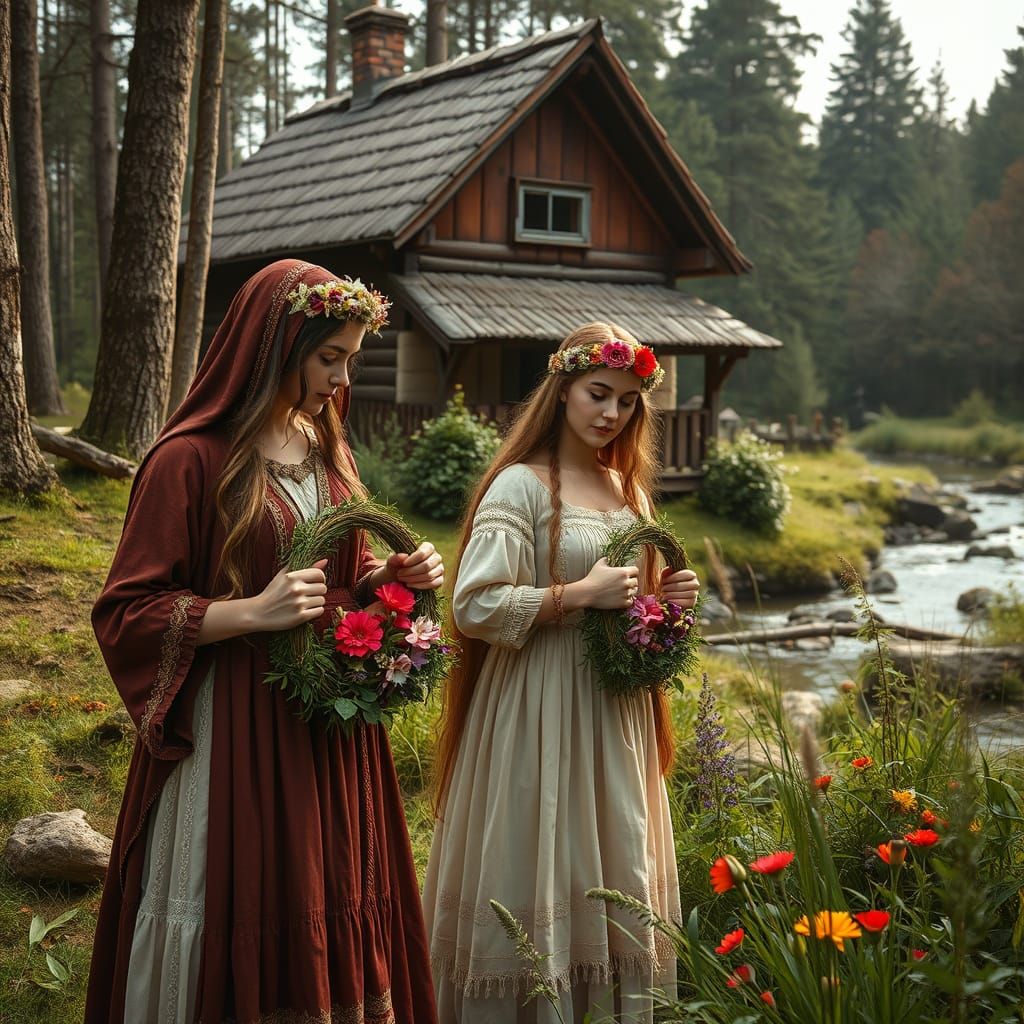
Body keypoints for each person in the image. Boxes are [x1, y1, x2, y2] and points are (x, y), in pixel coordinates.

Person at [84, 259, 442, 1024]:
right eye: (329, 357)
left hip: (328, 727)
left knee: (326, 879)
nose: (342, 379)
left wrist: (387, 579)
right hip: (235, 725)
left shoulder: (327, 449)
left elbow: (340, 575)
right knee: (248, 885)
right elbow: (127, 611)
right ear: (277, 345)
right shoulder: (190, 460)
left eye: (351, 359)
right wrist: (249, 612)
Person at [423, 323, 700, 1023]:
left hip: (615, 712)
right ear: (564, 389)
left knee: (614, 858)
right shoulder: (519, 486)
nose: (611, 412)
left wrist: (666, 600)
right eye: (598, 393)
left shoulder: (628, 492)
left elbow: (632, 605)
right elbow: (473, 605)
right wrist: (576, 595)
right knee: (534, 849)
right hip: (536, 702)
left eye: (628, 401)